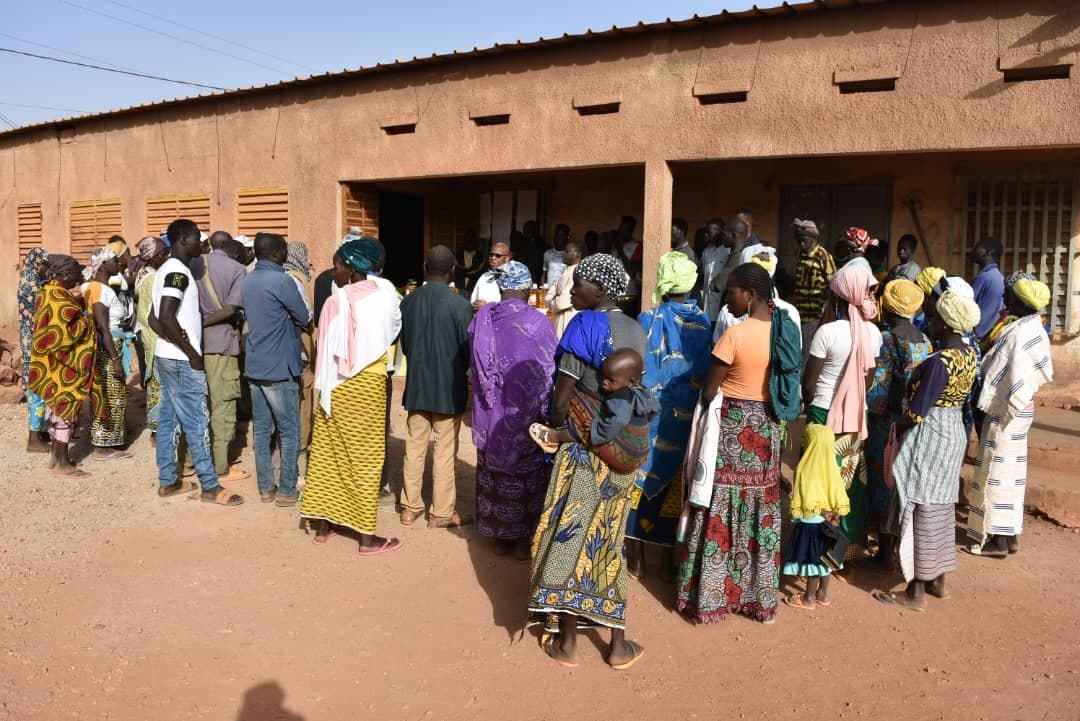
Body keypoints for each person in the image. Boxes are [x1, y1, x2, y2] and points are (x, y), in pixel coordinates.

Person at [528, 252, 647, 670]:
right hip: (622, 454)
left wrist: (555, 428)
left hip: (583, 448)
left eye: (579, 284)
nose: (572, 290)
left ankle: (566, 643)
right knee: (609, 541)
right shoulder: (636, 326)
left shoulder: (585, 325)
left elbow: (563, 394)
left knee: (570, 536)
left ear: (601, 290)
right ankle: (617, 646)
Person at [677, 263, 792, 624]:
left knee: (720, 506)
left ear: (752, 294)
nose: (728, 300)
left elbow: (711, 390)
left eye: (732, 293)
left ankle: (712, 597)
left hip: (733, 429)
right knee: (760, 509)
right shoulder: (783, 334)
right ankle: (758, 599)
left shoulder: (735, 336)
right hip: (768, 427)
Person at [873, 291, 980, 611]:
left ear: (946, 324)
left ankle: (915, 591)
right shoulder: (970, 355)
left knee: (917, 507)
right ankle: (938, 581)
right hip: (953, 435)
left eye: (934, 318)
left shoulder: (939, 362)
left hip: (929, 435)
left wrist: (900, 428)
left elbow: (918, 410)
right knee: (941, 508)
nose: (929, 323)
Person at [300, 237, 403, 554]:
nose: (335, 269)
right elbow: (393, 331)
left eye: (339, 264)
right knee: (365, 459)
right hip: (368, 386)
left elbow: (325, 349)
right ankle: (367, 539)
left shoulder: (336, 301)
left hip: (336, 388)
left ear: (353, 266)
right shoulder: (388, 298)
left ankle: (323, 527)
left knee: (328, 456)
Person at [624, 251, 711, 580]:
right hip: (685, 417)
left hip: (649, 414)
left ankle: (635, 561)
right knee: (676, 483)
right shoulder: (703, 322)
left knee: (642, 479)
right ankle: (667, 562)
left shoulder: (648, 319)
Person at [150, 219, 243, 506]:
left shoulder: (165, 270)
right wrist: (191, 353)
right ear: (181, 240)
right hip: (180, 360)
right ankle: (210, 485)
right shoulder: (178, 272)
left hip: (165, 355)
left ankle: (169, 481)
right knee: (197, 420)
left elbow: (154, 319)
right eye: (195, 239)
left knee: (168, 419)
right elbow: (165, 315)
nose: (200, 245)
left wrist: (169, 342)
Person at [469, 260, 558, 559]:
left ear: (502, 287)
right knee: (525, 471)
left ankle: (500, 537)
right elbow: (548, 368)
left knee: (493, 468)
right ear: (529, 289)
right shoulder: (539, 322)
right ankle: (523, 540)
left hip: (490, 411)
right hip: (523, 412)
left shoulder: (483, 318)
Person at [965, 277, 1053, 557]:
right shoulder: (1034, 328)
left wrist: (987, 396)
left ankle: (998, 540)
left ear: (1021, 302)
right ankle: (1011, 534)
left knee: (997, 472)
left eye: (1011, 297)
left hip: (1005, 410)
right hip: (1022, 408)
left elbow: (1002, 371)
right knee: (1013, 471)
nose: (1007, 301)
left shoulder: (1017, 333)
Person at [802, 263, 882, 549]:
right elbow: (868, 381)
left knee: (817, 480)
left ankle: (814, 550)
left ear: (838, 297)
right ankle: (841, 552)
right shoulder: (874, 334)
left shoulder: (827, 333)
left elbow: (809, 383)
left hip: (823, 412)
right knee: (848, 483)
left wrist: (813, 408)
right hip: (855, 417)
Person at [399, 246, 474, 528]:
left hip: (418, 386)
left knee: (414, 448)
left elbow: (406, 346)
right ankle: (441, 513)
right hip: (448, 388)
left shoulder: (409, 302)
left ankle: (410, 507)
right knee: (444, 452)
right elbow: (467, 352)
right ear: (453, 270)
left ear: (424, 267)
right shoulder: (461, 305)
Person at [864, 279, 932, 567]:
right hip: (913, 421)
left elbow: (879, 387)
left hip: (887, 422)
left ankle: (885, 550)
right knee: (902, 480)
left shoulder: (887, 339)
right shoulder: (925, 340)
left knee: (882, 481)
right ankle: (897, 545)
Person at [242, 232, 312, 506]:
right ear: (274, 254)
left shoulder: (249, 280)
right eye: (283, 250)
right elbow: (304, 316)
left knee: (261, 431)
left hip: (256, 364)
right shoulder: (282, 281)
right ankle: (286, 490)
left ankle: (265, 488)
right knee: (289, 429)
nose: (286, 254)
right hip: (279, 367)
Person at [28, 255, 96, 478]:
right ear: (65, 275)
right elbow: (62, 337)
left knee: (55, 410)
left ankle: (56, 457)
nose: (79, 278)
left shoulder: (47, 292)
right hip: (63, 366)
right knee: (65, 412)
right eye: (76, 274)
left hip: (48, 365)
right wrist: (87, 323)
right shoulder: (60, 298)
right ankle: (63, 463)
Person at [187, 234, 249, 481]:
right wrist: (207, 321)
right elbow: (232, 308)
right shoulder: (236, 269)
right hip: (221, 344)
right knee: (222, 404)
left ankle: (190, 460)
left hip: (192, 344)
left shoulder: (191, 264)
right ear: (232, 250)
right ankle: (220, 465)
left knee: (196, 404)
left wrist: (196, 324)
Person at [530, 348, 660, 462]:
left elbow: (619, 420)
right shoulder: (644, 392)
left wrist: (597, 427)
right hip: (641, 451)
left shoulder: (621, 396)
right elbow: (656, 409)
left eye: (611, 380)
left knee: (581, 428)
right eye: (604, 376)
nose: (604, 382)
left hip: (625, 452)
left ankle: (551, 437)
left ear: (630, 381)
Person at [83, 245, 130, 460]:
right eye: (114, 260)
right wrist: (116, 359)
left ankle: (110, 440)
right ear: (103, 264)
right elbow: (102, 325)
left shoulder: (94, 287)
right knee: (109, 395)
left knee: (110, 394)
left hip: (108, 345)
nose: (118, 264)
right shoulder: (100, 290)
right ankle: (103, 445)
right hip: (108, 347)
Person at [713, 247, 801, 342]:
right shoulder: (789, 311)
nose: (727, 299)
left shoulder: (729, 313)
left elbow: (717, 347)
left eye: (731, 292)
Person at [133, 236, 171, 438]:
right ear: (154, 256)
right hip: (156, 334)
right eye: (164, 253)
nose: (168, 256)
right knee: (158, 382)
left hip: (148, 333)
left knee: (155, 380)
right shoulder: (154, 278)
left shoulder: (143, 273)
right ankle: (158, 429)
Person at [284, 241, 316, 460]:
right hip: (300, 345)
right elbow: (305, 315)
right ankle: (301, 443)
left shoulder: (282, 275)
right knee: (303, 397)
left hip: (282, 349)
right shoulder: (298, 278)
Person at [18, 248, 51, 453]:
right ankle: (34, 438)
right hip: (34, 341)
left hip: (31, 339)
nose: (47, 269)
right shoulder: (32, 284)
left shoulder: (30, 279)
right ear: (37, 263)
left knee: (40, 385)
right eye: (45, 264)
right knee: (37, 387)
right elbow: (41, 311)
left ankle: (41, 430)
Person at [792, 218, 836, 354]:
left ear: (813, 239)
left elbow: (833, 284)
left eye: (804, 239)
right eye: (799, 240)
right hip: (800, 314)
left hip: (815, 315)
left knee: (808, 352)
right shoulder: (801, 255)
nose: (801, 243)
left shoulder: (822, 256)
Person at [969, 236, 1006, 343]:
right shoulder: (998, 276)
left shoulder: (985, 277)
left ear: (988, 252)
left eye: (977, 247)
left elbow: (966, 307)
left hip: (977, 338)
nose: (973, 250)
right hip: (989, 337)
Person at [708, 217, 749, 311]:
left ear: (734, 235)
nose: (721, 238)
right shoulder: (741, 251)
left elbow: (715, 286)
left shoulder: (740, 255)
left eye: (724, 235)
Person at [547, 240, 582, 338]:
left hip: (568, 321)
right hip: (559, 319)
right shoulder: (568, 270)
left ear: (577, 255)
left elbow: (561, 303)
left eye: (567, 252)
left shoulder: (577, 273)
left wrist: (551, 302)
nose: (563, 254)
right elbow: (551, 292)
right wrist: (552, 299)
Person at [698, 218, 730, 321]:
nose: (705, 235)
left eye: (709, 232)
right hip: (707, 307)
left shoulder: (728, 252)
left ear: (719, 232)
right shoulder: (706, 252)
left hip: (722, 308)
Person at [471, 241, 512, 309]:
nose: (493, 258)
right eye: (491, 254)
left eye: (498, 256)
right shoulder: (484, 277)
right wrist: (476, 304)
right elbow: (473, 300)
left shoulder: (513, 278)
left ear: (507, 258)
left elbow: (512, 307)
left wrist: (487, 307)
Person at [542, 223, 569, 290]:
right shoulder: (547, 253)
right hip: (549, 291)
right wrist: (542, 288)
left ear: (567, 237)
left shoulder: (569, 254)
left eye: (562, 235)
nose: (559, 238)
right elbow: (544, 273)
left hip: (563, 291)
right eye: (557, 235)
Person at [522, 220, 546, 285]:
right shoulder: (522, 245)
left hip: (537, 280)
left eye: (527, 231)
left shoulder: (543, 246)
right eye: (524, 230)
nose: (525, 233)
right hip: (523, 279)